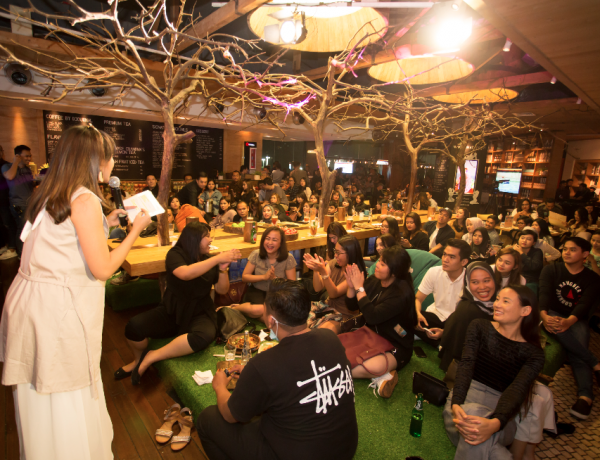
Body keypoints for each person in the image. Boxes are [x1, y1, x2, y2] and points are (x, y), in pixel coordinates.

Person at [0, 125, 153, 459]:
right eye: (110, 156)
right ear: (95, 160)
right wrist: (135, 231)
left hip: (31, 301)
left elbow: (65, 239)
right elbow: (103, 268)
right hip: (56, 311)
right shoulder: (84, 199)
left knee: (41, 393)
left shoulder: (51, 192)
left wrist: (106, 221)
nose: (112, 163)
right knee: (63, 389)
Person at [198, 279, 358, 460]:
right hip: (345, 449)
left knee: (207, 418)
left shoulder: (263, 364)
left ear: (270, 320)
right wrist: (253, 376)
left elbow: (230, 415)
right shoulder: (330, 337)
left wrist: (220, 387)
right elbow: (293, 375)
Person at [120, 223, 240, 387]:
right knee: (133, 327)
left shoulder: (208, 259)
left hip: (201, 311)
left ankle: (152, 356)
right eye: (207, 236)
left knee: (203, 336)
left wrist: (222, 269)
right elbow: (185, 273)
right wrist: (217, 259)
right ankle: (137, 360)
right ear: (194, 239)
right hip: (172, 310)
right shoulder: (175, 254)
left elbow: (222, 289)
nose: (210, 240)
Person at [445, 286, 555, 460]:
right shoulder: (479, 326)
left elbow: (517, 389)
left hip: (502, 415)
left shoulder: (534, 354)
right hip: (464, 404)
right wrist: (456, 403)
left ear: (525, 310)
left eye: (505, 301)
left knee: (475, 425)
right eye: (497, 299)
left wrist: (495, 423)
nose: (497, 304)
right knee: (474, 421)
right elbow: (466, 364)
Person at [539, 237, 600, 420]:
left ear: (585, 254)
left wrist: (569, 321)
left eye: (572, 250)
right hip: (551, 312)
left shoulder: (592, 278)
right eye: (565, 249)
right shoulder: (551, 270)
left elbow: (584, 305)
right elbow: (544, 295)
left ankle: (585, 396)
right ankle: (595, 363)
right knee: (558, 326)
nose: (566, 252)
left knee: (578, 343)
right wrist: (544, 317)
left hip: (575, 318)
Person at [345, 246, 417, 397]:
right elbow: (352, 306)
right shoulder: (375, 280)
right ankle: (383, 375)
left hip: (396, 343)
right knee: (338, 351)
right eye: (379, 261)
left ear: (395, 272)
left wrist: (359, 288)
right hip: (370, 334)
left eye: (383, 264)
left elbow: (373, 316)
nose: (376, 265)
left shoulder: (401, 293)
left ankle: (382, 374)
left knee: (369, 367)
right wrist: (352, 287)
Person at [438, 262, 497, 372]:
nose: (482, 287)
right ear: (467, 284)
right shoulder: (468, 310)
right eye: (475, 282)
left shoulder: (496, 304)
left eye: (486, 280)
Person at [303, 235, 366, 333]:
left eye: (338, 253)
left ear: (350, 253)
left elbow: (334, 293)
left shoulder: (356, 272)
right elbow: (317, 288)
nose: (335, 255)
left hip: (344, 314)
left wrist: (323, 272)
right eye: (335, 251)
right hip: (327, 306)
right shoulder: (333, 263)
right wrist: (316, 270)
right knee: (297, 317)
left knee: (322, 333)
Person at [415, 239, 471, 346]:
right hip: (436, 315)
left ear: (464, 262)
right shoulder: (434, 272)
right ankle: (440, 341)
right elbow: (418, 299)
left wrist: (445, 332)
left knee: (466, 332)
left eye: (452, 257)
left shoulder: (471, 280)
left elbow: (470, 317)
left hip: (456, 323)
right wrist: (417, 314)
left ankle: (439, 340)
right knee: (408, 314)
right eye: (444, 254)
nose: (445, 259)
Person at [239, 227, 297, 306]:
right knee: (260, 309)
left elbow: (292, 285)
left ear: (281, 243)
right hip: (257, 291)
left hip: (278, 293)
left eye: (274, 240)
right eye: (267, 238)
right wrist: (264, 277)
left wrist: (275, 279)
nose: (270, 243)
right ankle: (237, 307)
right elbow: (245, 277)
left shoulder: (288, 258)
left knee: (274, 310)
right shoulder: (256, 254)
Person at [1, 144, 34, 256]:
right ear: (18, 156)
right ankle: (20, 254)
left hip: (29, 203)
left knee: (28, 229)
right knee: (22, 228)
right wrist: (16, 162)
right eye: (26, 156)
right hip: (18, 204)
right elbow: (9, 176)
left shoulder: (27, 169)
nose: (29, 158)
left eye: (30, 156)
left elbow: (29, 186)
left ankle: (26, 253)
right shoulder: (7, 167)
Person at [0, 144, 18, 260]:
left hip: (4, 200)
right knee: (2, 224)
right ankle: (6, 245)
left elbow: (10, 180)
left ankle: (12, 247)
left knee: (9, 224)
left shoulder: (6, 165)